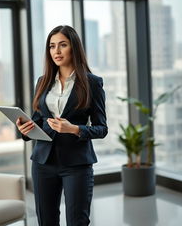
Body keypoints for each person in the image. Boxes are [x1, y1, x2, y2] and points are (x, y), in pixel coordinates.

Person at [16, 25, 108, 226]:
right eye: (52, 46)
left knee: (77, 221)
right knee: (46, 221)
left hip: (77, 164)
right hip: (42, 163)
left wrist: (74, 129)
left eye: (62, 45)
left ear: (74, 48)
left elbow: (102, 128)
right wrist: (25, 131)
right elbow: (37, 120)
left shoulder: (92, 83)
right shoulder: (42, 82)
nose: (56, 51)